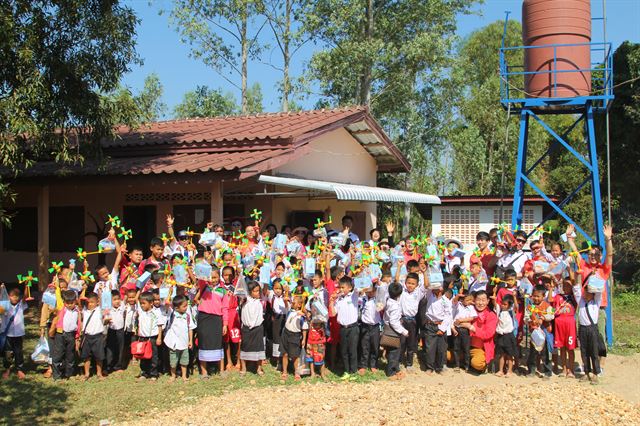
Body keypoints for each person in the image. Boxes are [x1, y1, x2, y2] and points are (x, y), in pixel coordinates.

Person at [566, 223, 613, 374]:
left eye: (596, 255)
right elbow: (575, 252)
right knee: (584, 339)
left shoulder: (603, 269)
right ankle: (585, 364)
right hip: (584, 307)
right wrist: (569, 238)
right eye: (591, 254)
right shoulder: (584, 265)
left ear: (600, 256)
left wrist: (608, 239)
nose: (593, 257)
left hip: (599, 308)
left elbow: (610, 256)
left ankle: (601, 366)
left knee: (599, 340)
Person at [194, 267, 228, 378]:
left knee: (218, 344)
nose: (213, 280)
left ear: (219, 277)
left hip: (217, 319)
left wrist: (225, 324)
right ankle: (204, 372)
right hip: (204, 318)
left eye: (215, 277)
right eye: (211, 277)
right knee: (203, 343)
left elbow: (225, 308)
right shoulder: (204, 286)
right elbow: (200, 277)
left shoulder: (223, 291)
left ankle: (221, 370)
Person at [574, 270, 604, 383]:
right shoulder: (581, 301)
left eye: (588, 293)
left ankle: (596, 373)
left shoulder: (596, 302)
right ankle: (586, 372)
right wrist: (579, 276)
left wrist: (594, 276)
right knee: (584, 351)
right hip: (582, 329)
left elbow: (599, 290)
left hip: (592, 328)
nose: (586, 295)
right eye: (585, 292)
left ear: (592, 294)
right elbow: (576, 288)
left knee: (594, 351)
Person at [459, 290, 497, 373]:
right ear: (474, 301)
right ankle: (465, 361)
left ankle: (480, 365)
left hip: (479, 348)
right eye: (478, 300)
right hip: (464, 346)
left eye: (483, 300)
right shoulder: (468, 310)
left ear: (488, 301)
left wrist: (471, 327)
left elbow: (488, 334)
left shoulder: (491, 315)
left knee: (477, 363)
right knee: (447, 355)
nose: (480, 303)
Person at [329, 276, 359, 378]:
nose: (341, 290)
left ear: (349, 288)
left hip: (353, 328)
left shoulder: (354, 296)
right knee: (344, 350)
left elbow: (361, 288)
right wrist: (332, 301)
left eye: (343, 287)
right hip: (343, 328)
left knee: (353, 350)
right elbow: (333, 313)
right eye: (340, 287)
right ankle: (346, 371)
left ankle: (353, 371)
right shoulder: (339, 300)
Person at [164, 295, 195, 382]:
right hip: (174, 343)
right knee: (173, 361)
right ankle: (173, 375)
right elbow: (167, 306)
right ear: (177, 308)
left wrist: (190, 340)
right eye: (184, 306)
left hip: (184, 343)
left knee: (184, 361)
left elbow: (190, 328)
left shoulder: (188, 316)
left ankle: (184, 376)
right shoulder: (172, 314)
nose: (186, 308)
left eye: (186, 305)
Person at [51, 290, 82, 380]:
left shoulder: (77, 310)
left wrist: (77, 336)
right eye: (67, 303)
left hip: (71, 335)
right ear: (64, 302)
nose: (69, 305)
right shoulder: (62, 308)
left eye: (71, 303)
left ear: (75, 301)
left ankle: (69, 374)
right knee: (58, 355)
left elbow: (78, 323)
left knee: (70, 355)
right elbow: (57, 295)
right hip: (61, 334)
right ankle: (57, 376)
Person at [525, 285, 555, 378]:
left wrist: (543, 318)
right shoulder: (530, 307)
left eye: (538, 296)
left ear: (543, 296)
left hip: (544, 332)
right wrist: (530, 321)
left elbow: (552, 315)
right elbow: (525, 317)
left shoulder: (547, 306)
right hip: (534, 333)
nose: (536, 298)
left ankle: (547, 372)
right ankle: (531, 371)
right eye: (534, 296)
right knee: (532, 353)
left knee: (545, 353)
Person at [423, 280, 452, 375]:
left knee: (441, 348)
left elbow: (448, 316)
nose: (436, 289)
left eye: (438, 287)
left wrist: (442, 329)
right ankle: (429, 367)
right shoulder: (429, 296)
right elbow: (426, 287)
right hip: (430, 324)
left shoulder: (446, 301)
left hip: (440, 325)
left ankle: (440, 367)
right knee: (429, 347)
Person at [136, 291, 166, 381]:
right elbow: (137, 298)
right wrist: (139, 288)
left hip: (152, 338)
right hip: (142, 338)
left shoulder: (156, 313)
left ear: (151, 303)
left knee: (153, 356)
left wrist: (159, 338)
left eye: (144, 303)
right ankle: (144, 373)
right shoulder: (141, 312)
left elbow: (160, 325)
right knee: (143, 356)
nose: (142, 305)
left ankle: (154, 373)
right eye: (141, 303)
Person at [1, 286, 29, 380]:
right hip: (8, 334)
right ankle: (7, 369)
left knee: (18, 352)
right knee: (7, 353)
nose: (15, 298)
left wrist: (27, 285)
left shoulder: (21, 305)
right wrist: (2, 290)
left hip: (18, 334)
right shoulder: (4, 305)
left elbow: (25, 297)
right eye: (12, 296)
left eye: (17, 296)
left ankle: (19, 369)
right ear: (9, 296)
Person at [553, 276, 578, 378]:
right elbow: (550, 299)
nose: (566, 286)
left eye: (569, 285)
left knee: (570, 348)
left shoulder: (575, 297)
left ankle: (571, 370)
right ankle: (563, 369)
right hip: (559, 323)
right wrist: (551, 288)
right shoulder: (558, 296)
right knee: (562, 348)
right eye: (565, 285)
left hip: (570, 323)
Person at [239, 281, 266, 376]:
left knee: (259, 347)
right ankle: (244, 368)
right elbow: (241, 296)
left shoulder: (260, 301)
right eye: (255, 291)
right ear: (250, 292)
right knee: (245, 347)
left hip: (258, 328)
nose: (258, 293)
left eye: (258, 291)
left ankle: (259, 368)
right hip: (246, 328)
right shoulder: (246, 300)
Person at [383, 282, 408, 379]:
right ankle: (391, 373)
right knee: (395, 351)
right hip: (393, 331)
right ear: (399, 294)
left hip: (387, 328)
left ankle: (396, 369)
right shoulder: (395, 306)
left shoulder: (388, 301)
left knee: (391, 350)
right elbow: (393, 322)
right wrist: (404, 331)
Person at [79, 292, 106, 381]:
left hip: (98, 336)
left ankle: (99, 373)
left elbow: (103, 302)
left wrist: (100, 293)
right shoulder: (84, 310)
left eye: (92, 302)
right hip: (87, 336)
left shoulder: (99, 310)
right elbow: (79, 303)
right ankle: (87, 373)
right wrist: (83, 291)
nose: (90, 304)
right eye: (88, 302)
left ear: (97, 302)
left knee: (99, 356)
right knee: (86, 356)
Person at [280, 296, 308, 381]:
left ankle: (297, 372)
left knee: (295, 355)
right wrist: (286, 299)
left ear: (299, 305)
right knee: (285, 354)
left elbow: (304, 329)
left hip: (295, 335)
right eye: (292, 302)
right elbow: (285, 302)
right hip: (286, 334)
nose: (292, 303)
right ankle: (284, 371)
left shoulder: (301, 316)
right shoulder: (289, 310)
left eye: (294, 302)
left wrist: (303, 339)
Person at [358, 285, 381, 374]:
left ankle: (373, 365)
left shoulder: (378, 299)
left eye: (373, 290)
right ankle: (363, 365)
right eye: (369, 290)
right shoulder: (363, 299)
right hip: (365, 326)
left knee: (375, 346)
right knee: (364, 346)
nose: (371, 292)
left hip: (375, 326)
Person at [452, 292, 476, 372]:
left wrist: (461, 321)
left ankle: (467, 366)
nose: (469, 301)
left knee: (466, 348)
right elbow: (454, 301)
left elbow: (472, 318)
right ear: (462, 300)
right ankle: (457, 365)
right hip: (457, 329)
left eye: (471, 300)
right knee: (456, 348)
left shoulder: (471, 307)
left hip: (465, 330)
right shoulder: (458, 304)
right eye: (467, 300)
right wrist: (458, 296)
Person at [494, 294, 517, 377]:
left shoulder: (511, 312)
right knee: (501, 354)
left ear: (509, 305)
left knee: (510, 355)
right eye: (502, 304)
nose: (503, 306)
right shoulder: (499, 311)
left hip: (509, 335)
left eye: (505, 304)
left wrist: (514, 297)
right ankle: (500, 370)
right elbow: (495, 304)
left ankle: (510, 371)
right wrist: (494, 294)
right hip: (501, 335)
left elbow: (516, 307)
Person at [105, 290, 126, 374]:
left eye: (118, 299)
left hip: (120, 331)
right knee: (110, 349)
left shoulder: (122, 307)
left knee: (120, 348)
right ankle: (108, 366)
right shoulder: (108, 309)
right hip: (111, 331)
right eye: (114, 299)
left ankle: (118, 366)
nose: (117, 301)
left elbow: (125, 297)